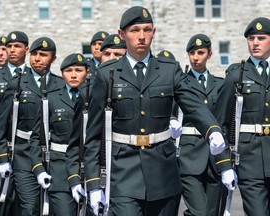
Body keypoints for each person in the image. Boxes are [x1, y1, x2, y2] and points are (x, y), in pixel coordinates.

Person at [78, 6, 235, 216]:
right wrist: (94, 184)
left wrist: (212, 129)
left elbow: (193, 104)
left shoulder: (169, 69)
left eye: (147, 29)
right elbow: (95, 135)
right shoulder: (108, 74)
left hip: (163, 172)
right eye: (135, 30)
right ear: (122, 34)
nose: (142, 36)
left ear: (154, 32)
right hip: (123, 172)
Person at [0, 36, 64, 215]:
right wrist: (2, 158)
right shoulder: (17, 84)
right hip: (23, 155)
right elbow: (1, 126)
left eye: (43, 55)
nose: (37, 59)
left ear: (53, 59)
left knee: (54, 208)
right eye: (34, 54)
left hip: (54, 157)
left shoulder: (61, 85)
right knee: (30, 206)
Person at [215, 17, 270, 216]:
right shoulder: (236, 76)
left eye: (261, 38)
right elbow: (220, 124)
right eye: (251, 38)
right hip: (249, 162)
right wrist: (224, 165)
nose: (255, 43)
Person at [177, 34, 236, 216]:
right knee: (199, 212)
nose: (195, 57)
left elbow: (225, 124)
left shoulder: (220, 84)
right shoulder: (180, 83)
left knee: (213, 212)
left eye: (200, 52)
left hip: (215, 157)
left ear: (209, 54)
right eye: (192, 53)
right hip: (189, 155)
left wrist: (226, 162)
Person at [30, 53, 89, 216]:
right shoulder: (51, 99)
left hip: (89, 170)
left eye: (79, 70)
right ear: (62, 73)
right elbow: (36, 137)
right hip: (59, 171)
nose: (74, 74)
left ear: (87, 72)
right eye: (69, 70)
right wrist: (39, 169)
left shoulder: (94, 98)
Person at [0, 30, 30, 216]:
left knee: (25, 198)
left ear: (26, 50)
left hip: (26, 148)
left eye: (13, 47)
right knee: (1, 195)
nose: (8, 51)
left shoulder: (34, 77)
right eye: (4, 48)